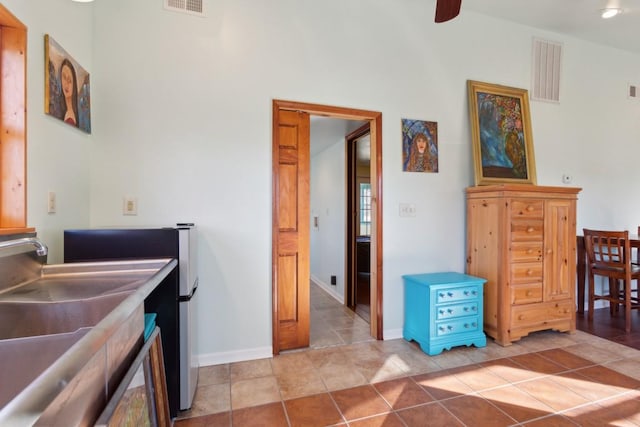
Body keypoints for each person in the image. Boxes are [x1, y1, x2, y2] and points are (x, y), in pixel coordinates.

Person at [59, 58, 79, 127]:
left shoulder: (71, 114)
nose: (66, 84)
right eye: (64, 77)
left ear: (74, 84)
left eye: (70, 80)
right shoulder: (62, 110)